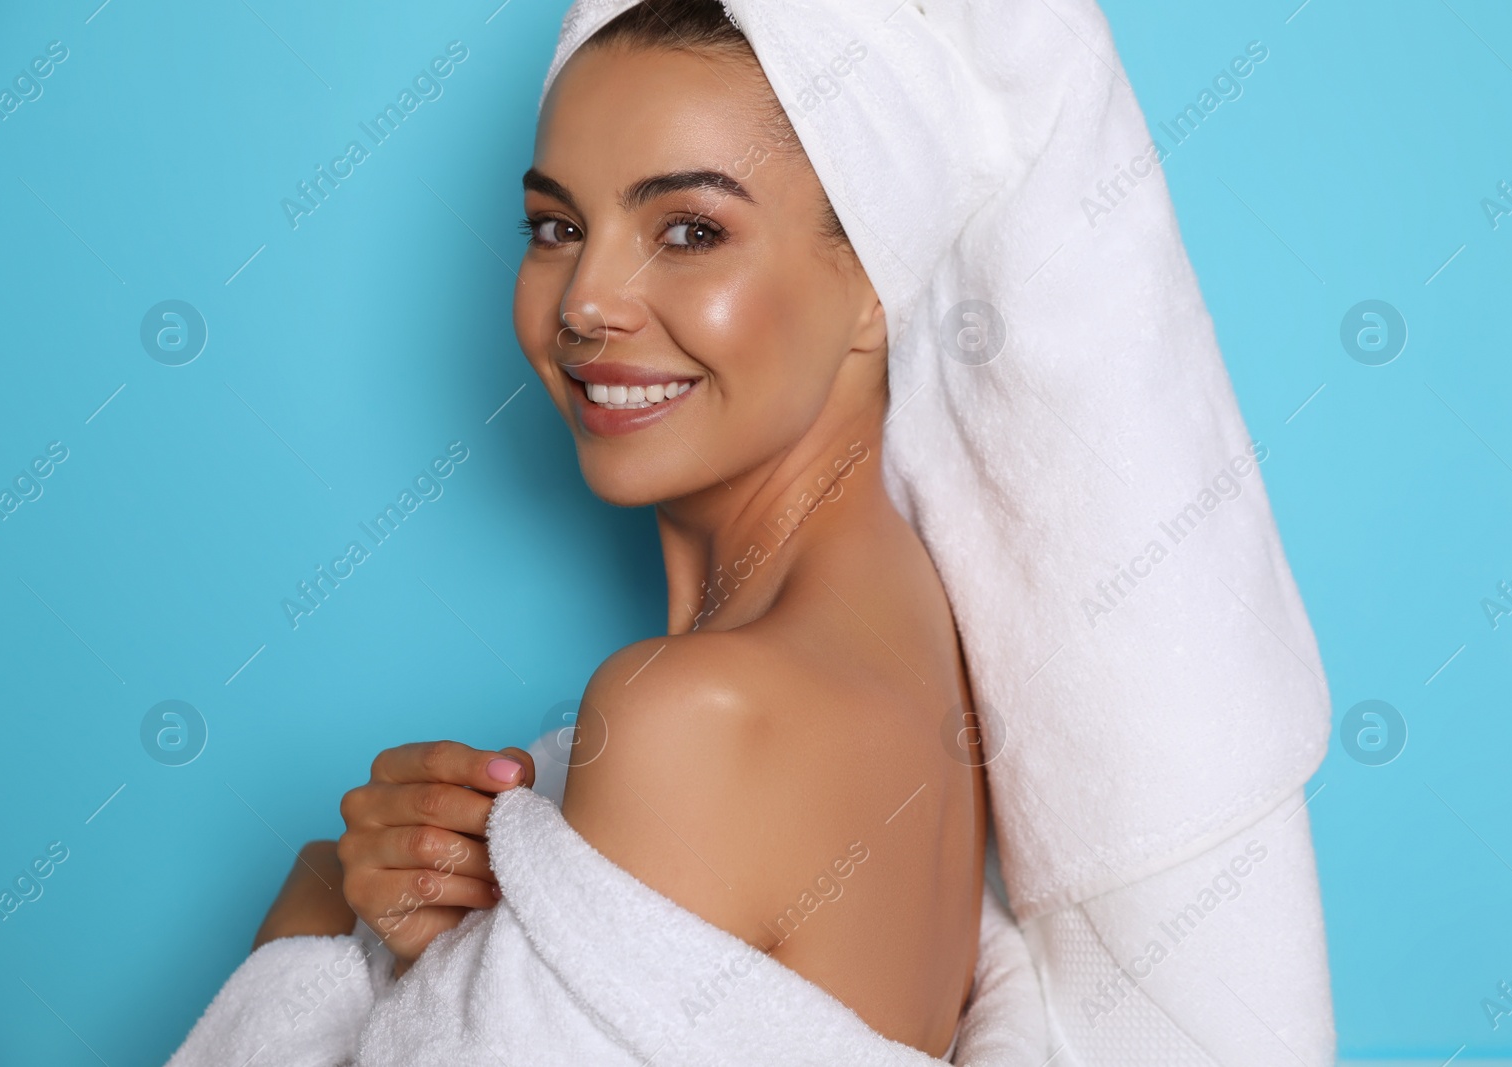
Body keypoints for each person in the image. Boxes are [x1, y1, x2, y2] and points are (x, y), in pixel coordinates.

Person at [253, 1, 986, 1057]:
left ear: (874, 282)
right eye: (556, 227)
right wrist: (450, 952)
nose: (586, 302)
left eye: (689, 230)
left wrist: (316, 901)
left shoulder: (699, 716)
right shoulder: (923, 657)